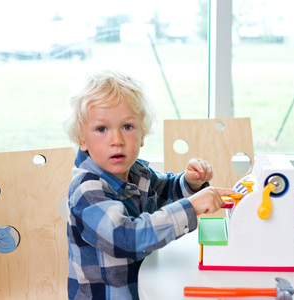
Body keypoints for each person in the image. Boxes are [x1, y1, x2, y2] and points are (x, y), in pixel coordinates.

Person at [64, 69, 235, 300]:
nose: (117, 140)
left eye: (127, 127)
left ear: (142, 135)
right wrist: (191, 207)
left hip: (146, 290)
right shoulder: (87, 190)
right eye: (101, 129)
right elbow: (126, 238)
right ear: (81, 139)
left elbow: (166, 190)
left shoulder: (136, 173)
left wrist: (189, 183)